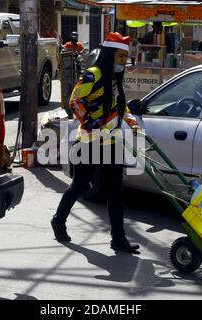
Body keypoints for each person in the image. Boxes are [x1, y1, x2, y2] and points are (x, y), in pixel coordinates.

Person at [51, 32, 142, 253]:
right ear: (110, 55)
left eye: (125, 57)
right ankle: (58, 220)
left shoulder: (114, 78)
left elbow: (120, 106)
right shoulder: (93, 75)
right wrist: (93, 123)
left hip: (112, 142)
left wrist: (129, 120)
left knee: (115, 192)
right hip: (90, 142)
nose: (124, 61)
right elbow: (74, 102)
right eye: (120, 57)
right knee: (80, 186)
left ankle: (118, 239)